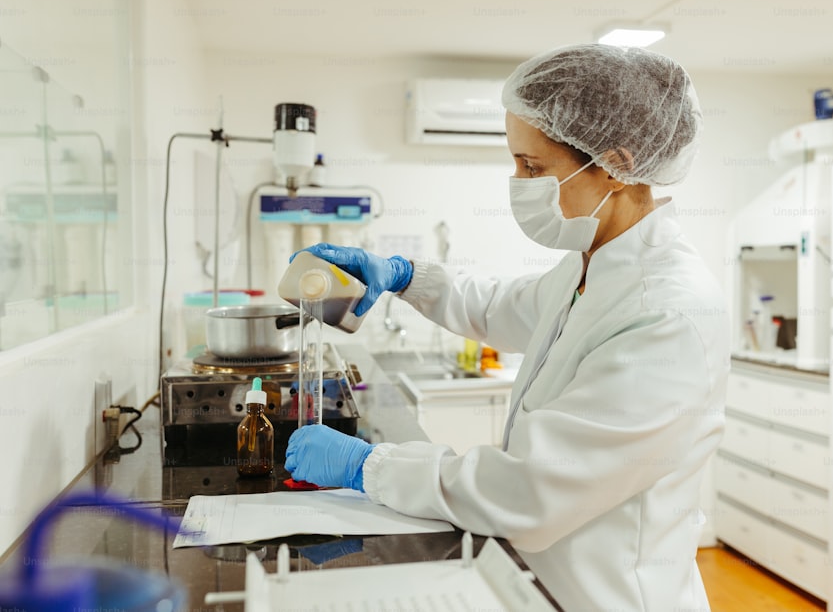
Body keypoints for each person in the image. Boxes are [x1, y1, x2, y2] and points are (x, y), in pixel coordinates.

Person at [284, 43, 730, 611]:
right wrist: (402, 276)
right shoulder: (594, 264)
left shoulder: (668, 313)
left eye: (533, 166)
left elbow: (532, 488)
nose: (517, 181)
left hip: (610, 597)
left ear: (616, 162)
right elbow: (502, 306)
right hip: (544, 581)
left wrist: (367, 465)